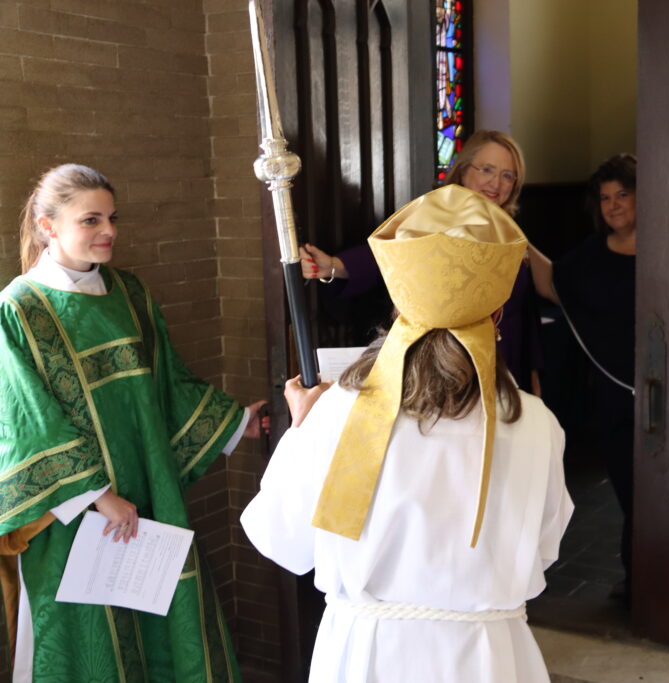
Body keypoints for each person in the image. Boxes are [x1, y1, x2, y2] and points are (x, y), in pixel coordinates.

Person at [241, 185, 573, 682]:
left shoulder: (337, 413)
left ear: (397, 303)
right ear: (498, 314)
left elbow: (282, 540)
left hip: (367, 656)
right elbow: (544, 548)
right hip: (490, 658)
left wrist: (303, 429)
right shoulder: (535, 423)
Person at [0, 164, 268, 681]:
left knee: (163, 623)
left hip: (148, 493)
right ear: (47, 225)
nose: (110, 232)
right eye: (91, 220)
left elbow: (166, 383)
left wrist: (235, 422)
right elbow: (26, 419)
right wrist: (99, 496)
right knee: (87, 644)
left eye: (113, 218)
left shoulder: (130, 293)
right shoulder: (21, 308)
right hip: (71, 514)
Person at [300, 130, 545, 395]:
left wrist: (533, 383)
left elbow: (527, 313)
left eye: (507, 175)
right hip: (453, 363)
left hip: (508, 360)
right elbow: (391, 253)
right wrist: (334, 265)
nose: (496, 183)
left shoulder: (511, 232)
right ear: (463, 171)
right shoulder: (436, 215)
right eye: (487, 169)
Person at [528, 153, 637, 598]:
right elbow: (553, 283)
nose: (613, 206)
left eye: (623, 195)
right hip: (615, 392)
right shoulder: (593, 253)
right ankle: (639, 583)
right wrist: (515, 239)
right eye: (606, 198)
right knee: (631, 495)